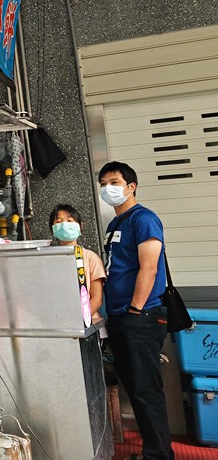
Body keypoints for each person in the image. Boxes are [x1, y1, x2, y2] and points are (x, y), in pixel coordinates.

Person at [99, 161, 173, 460]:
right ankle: (152, 452)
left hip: (141, 316)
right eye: (103, 183)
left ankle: (159, 456)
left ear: (131, 186)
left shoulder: (143, 219)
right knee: (136, 389)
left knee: (146, 391)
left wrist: (134, 310)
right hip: (121, 317)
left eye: (114, 182)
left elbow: (150, 267)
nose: (108, 188)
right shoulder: (115, 224)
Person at [49, 203, 106, 322]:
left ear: (80, 226)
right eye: (59, 222)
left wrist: (79, 322)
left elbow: (97, 298)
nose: (65, 225)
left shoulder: (90, 257)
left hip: (88, 323)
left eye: (70, 220)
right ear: (52, 229)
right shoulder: (48, 258)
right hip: (58, 323)